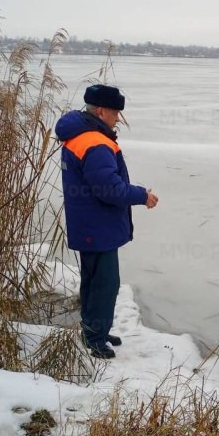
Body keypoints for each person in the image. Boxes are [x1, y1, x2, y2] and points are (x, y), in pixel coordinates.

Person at [55, 84, 159, 359]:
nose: (118, 119)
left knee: (93, 281)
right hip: (96, 226)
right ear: (101, 111)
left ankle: (93, 331)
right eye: (115, 113)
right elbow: (109, 189)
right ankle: (95, 338)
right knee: (105, 283)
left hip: (89, 223)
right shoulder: (95, 142)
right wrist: (142, 195)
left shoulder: (81, 135)